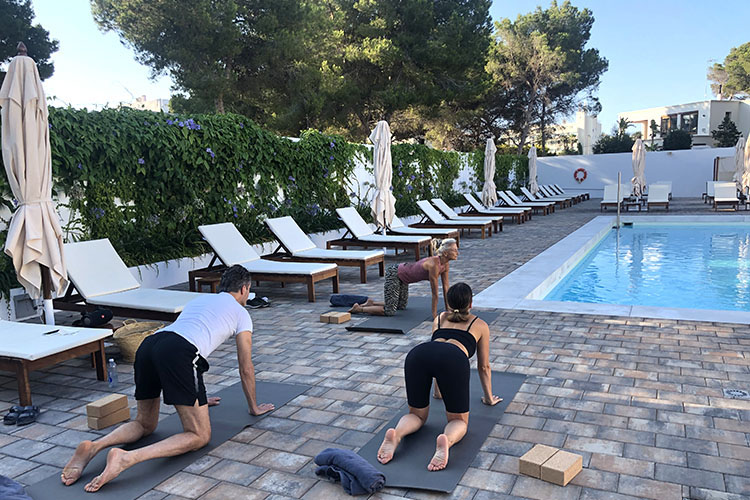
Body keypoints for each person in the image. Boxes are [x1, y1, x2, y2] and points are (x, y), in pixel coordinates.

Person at [61, 265, 274, 492]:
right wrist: (253, 407)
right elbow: (245, 367)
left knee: (145, 424)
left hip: (150, 345)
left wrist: (198, 400)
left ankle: (94, 446)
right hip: (179, 352)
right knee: (199, 435)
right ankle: (126, 458)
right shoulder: (242, 313)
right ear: (244, 288)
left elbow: (187, 340)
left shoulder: (198, 302)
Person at [376, 282, 501, 471]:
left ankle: (397, 434)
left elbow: (436, 352)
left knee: (416, 415)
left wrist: (438, 392)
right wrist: (489, 398)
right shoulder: (480, 324)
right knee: (458, 421)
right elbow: (484, 366)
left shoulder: (440, 318)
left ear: (448, 303)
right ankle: (446, 441)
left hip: (418, 355)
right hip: (453, 359)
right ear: (471, 304)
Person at [349, 238, 457, 319]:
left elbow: (446, 288)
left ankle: (372, 303)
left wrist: (448, 310)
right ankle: (359, 309)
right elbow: (435, 294)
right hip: (395, 273)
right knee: (389, 311)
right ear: (446, 253)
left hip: (404, 278)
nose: (458, 253)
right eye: (455, 250)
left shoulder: (445, 264)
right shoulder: (434, 266)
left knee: (401, 306)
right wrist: (434, 316)